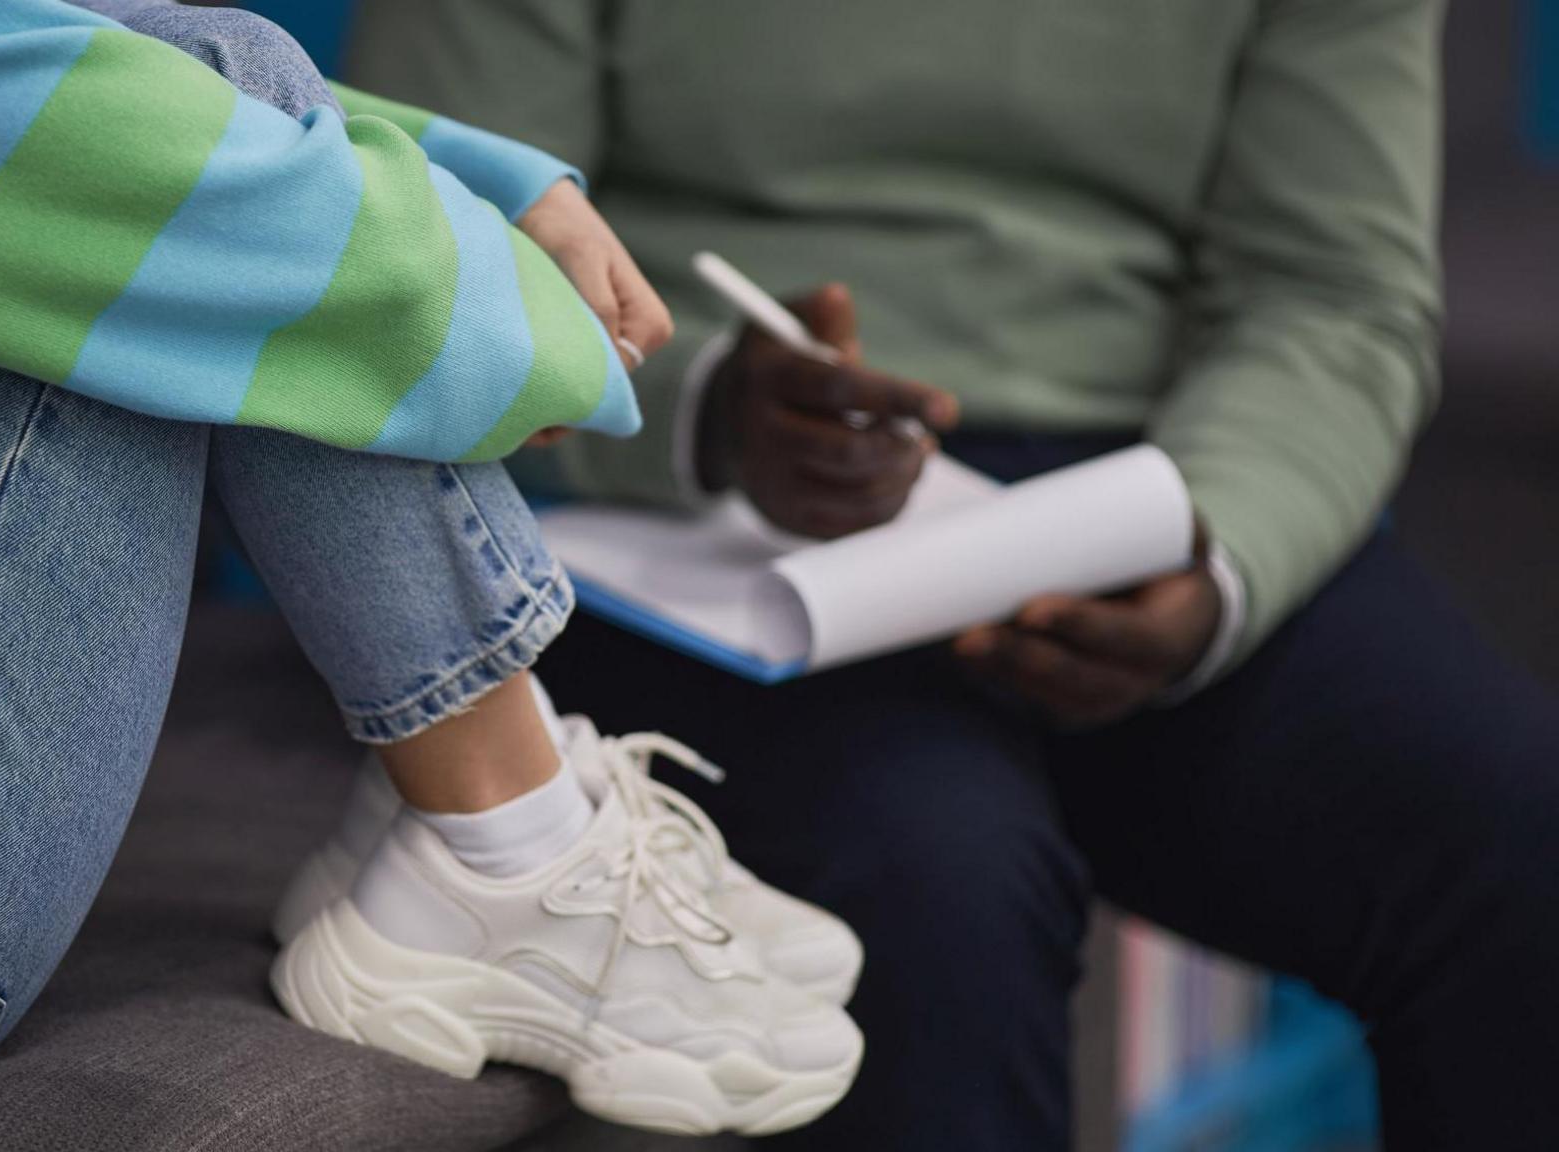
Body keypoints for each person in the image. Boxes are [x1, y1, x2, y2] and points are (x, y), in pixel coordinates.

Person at [0, 1, 864, 1136]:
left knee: (199, 101)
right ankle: (510, 843)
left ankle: (503, 833)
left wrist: (503, 186)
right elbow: (145, 132)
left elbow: (23, 47)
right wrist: (531, 333)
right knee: (198, 149)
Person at [344, 1, 1559, 1148]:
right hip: (667, 495)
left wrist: (1215, 549)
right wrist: (697, 405)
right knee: (928, 891)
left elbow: (1330, 290)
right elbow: (417, 234)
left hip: (1158, 475)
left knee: (1513, 838)